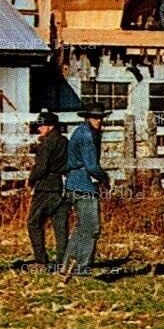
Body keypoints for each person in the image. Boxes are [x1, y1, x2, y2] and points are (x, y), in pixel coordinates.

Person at [61, 103, 110, 280]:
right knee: (92, 229)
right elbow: (91, 166)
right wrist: (105, 178)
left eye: (101, 117)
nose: (99, 121)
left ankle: (66, 264)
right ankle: (81, 270)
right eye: (96, 117)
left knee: (82, 227)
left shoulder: (81, 131)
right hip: (84, 185)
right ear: (88, 117)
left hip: (74, 183)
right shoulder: (87, 136)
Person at [26, 111, 70, 269]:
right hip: (62, 186)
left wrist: (31, 180)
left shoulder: (46, 143)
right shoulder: (65, 141)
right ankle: (62, 262)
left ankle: (41, 260)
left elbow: (41, 167)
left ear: (51, 126)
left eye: (41, 125)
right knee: (61, 226)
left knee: (34, 223)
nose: (39, 129)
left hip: (45, 187)